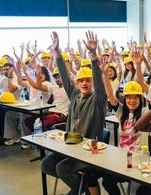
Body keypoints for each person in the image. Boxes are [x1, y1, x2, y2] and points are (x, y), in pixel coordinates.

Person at [40, 31, 107, 195]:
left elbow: (99, 84)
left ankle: (79, 190)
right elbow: (64, 75)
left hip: (89, 150)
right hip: (70, 145)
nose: (84, 83)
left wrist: (92, 54)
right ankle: (83, 188)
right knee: (46, 164)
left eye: (87, 80)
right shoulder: (75, 95)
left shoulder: (98, 100)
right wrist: (57, 53)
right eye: (81, 80)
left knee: (63, 168)